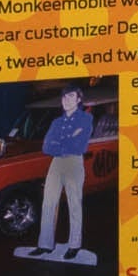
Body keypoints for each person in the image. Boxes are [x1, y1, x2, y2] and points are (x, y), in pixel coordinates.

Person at [29, 85, 95, 260]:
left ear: (78, 100)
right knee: (48, 202)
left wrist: (59, 143)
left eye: (71, 96)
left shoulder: (85, 118)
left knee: (74, 203)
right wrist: (68, 140)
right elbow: (46, 147)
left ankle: (74, 245)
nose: (66, 100)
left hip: (74, 161)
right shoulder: (56, 122)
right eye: (64, 97)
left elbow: (79, 145)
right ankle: (45, 244)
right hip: (56, 162)